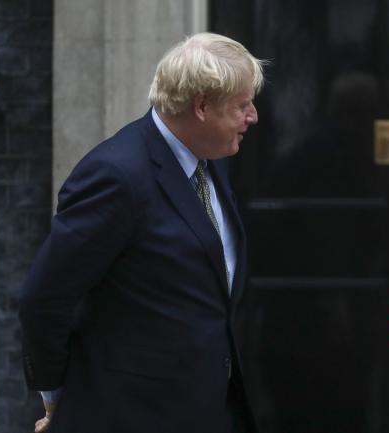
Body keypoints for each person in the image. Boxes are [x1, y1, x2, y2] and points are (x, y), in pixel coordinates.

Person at [18, 32, 265, 433]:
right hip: (130, 415)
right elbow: (44, 298)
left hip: (211, 409)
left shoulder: (212, 160)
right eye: (242, 106)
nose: (253, 116)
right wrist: (58, 397)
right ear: (200, 106)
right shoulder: (116, 176)